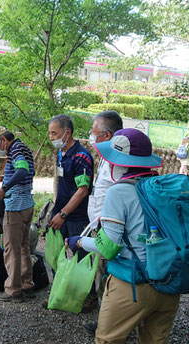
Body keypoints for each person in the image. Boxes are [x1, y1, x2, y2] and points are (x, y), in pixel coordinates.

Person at [66, 128, 180, 343]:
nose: (110, 164)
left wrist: (78, 241)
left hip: (133, 284)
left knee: (108, 339)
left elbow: (108, 248)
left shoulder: (119, 192)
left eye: (112, 160)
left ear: (121, 162)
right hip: (170, 282)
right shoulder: (162, 188)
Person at [47, 114, 95, 311]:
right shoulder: (61, 154)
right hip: (60, 212)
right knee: (59, 255)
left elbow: (82, 190)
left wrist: (64, 214)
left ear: (67, 133)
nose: (51, 137)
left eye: (54, 133)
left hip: (76, 217)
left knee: (81, 257)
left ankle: (89, 297)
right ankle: (63, 292)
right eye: (50, 133)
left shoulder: (81, 156)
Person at [83, 110, 123, 333]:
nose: (91, 134)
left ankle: (110, 327)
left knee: (108, 278)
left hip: (109, 230)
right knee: (101, 276)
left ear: (107, 136)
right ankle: (105, 322)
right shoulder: (106, 159)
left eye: (94, 131)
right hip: (99, 227)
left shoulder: (118, 163)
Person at [0, 126, 35, 302]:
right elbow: (29, 171)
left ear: (2, 140)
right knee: (23, 246)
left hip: (15, 206)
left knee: (11, 249)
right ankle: (27, 285)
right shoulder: (23, 147)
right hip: (27, 204)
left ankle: (13, 290)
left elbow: (22, 170)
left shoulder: (15, 149)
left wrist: (4, 188)